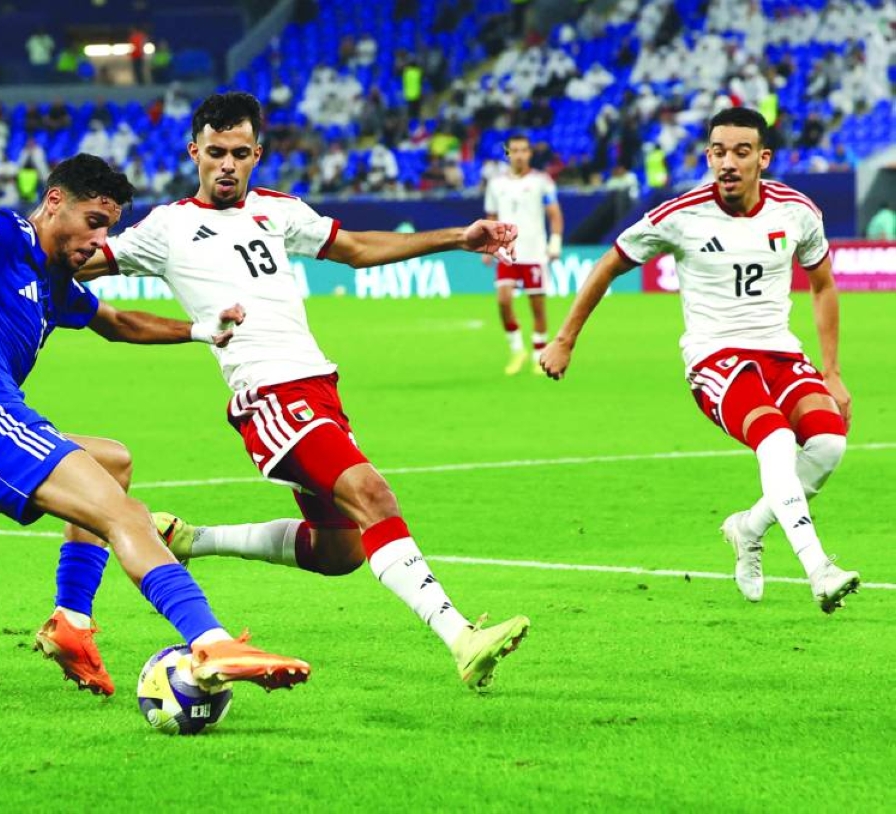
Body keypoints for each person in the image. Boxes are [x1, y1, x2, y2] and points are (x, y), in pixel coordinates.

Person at [79, 92, 529, 693]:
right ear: (194, 152)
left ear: (257, 154)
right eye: (215, 153)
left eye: (240, 153)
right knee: (371, 491)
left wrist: (459, 237)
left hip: (320, 387)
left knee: (339, 550)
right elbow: (76, 261)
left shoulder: (279, 210)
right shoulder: (167, 227)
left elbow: (359, 250)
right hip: (267, 395)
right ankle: (461, 637)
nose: (227, 165)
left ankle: (191, 538)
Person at [0, 153, 310, 697]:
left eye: (109, 228)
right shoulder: (5, 236)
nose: (100, 241)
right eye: (95, 222)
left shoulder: (56, 284)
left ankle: (71, 623)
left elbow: (118, 323)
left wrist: (200, 330)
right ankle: (210, 641)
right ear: (54, 202)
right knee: (125, 516)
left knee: (113, 461)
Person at [539, 107, 860, 614]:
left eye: (741, 151)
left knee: (827, 446)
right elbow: (609, 263)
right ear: (708, 155)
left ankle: (747, 529)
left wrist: (832, 370)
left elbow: (823, 285)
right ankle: (818, 568)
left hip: (779, 351)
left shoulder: (797, 211)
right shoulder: (680, 215)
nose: (727, 162)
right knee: (774, 439)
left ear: (763, 158)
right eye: (718, 151)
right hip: (716, 359)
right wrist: (565, 339)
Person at [483, 135, 564, 376]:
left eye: (523, 151)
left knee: (537, 308)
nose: (519, 155)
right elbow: (491, 218)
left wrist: (555, 242)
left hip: (535, 253)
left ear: (529, 154)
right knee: (503, 300)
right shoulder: (496, 184)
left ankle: (539, 353)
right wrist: (489, 246)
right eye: (514, 150)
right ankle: (517, 349)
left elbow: (555, 214)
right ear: (508, 154)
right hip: (507, 252)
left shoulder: (542, 181)